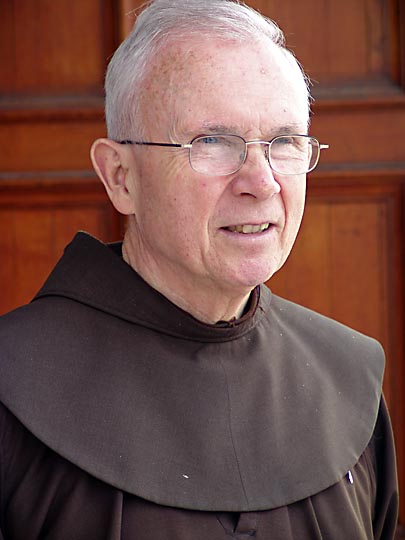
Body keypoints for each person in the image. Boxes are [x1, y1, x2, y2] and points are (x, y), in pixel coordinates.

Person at [0, 0, 398, 538]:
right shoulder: (12, 386)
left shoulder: (346, 381)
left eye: (283, 143)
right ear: (121, 177)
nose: (261, 182)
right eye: (212, 141)